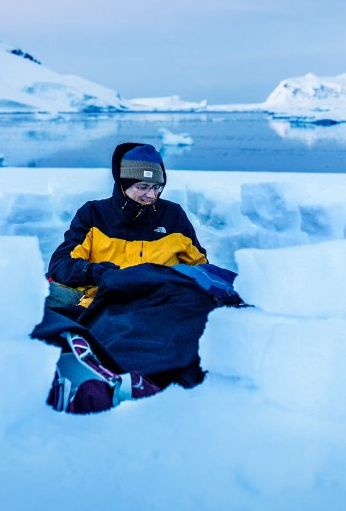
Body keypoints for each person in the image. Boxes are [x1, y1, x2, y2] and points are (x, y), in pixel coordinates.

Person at [40, 141, 217, 413]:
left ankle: (144, 387)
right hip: (106, 303)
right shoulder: (94, 215)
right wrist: (95, 272)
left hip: (162, 306)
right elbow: (60, 265)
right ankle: (106, 383)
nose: (151, 195)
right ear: (122, 184)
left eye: (156, 187)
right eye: (142, 187)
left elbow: (201, 269)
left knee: (185, 339)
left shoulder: (173, 217)